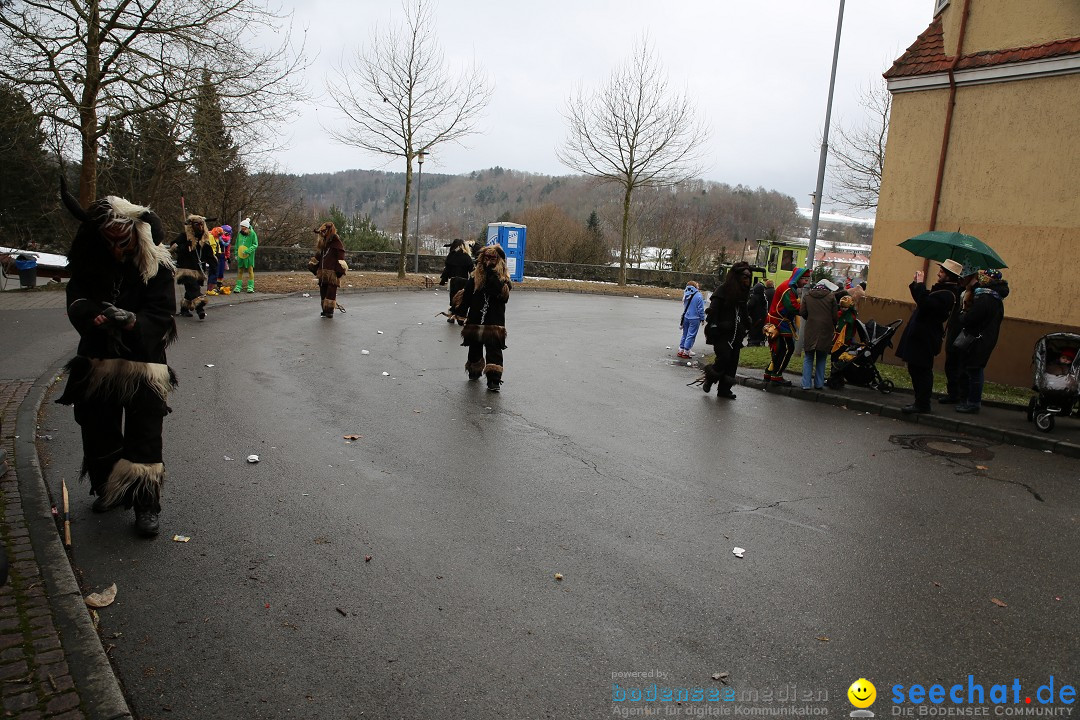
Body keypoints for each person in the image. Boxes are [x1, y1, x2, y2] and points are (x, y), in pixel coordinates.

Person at [56, 180, 177, 537]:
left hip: (144, 366)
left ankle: (145, 505)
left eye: (121, 239)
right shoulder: (89, 264)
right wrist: (92, 315)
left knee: (145, 435)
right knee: (97, 431)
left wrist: (132, 321)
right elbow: (76, 299)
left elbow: (163, 314)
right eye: (108, 239)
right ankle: (110, 488)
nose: (116, 247)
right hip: (97, 363)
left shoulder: (157, 267)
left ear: (135, 233)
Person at [895, 264, 956, 414]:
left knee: (922, 369)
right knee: (915, 367)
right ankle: (919, 401)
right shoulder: (942, 290)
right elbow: (922, 301)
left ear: (950, 275)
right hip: (921, 335)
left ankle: (923, 403)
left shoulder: (948, 294)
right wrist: (916, 284)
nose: (939, 274)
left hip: (926, 337)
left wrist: (921, 284)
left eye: (942, 272)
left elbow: (925, 303)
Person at [954, 268, 1010, 413]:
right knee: (974, 369)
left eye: (981, 278)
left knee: (974, 370)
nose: (978, 280)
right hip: (985, 338)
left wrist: (962, 316)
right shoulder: (995, 298)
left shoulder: (985, 298)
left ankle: (973, 403)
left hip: (979, 339)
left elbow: (972, 318)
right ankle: (971, 401)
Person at [459, 244, 512, 392]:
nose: (488, 261)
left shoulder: (503, 278)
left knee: (494, 350)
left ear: (498, 260)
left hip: (494, 320)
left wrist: (491, 274)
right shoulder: (475, 275)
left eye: (492, 258)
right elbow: (467, 294)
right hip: (475, 318)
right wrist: (461, 311)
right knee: (474, 348)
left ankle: (494, 379)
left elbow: (500, 294)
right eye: (486, 258)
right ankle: (474, 370)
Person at [701, 262, 752, 399]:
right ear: (737, 277)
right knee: (724, 357)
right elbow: (713, 311)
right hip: (722, 333)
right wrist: (716, 326)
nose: (747, 280)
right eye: (745, 276)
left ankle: (724, 390)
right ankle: (710, 379)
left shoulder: (743, 293)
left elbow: (744, 312)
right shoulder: (722, 290)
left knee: (733, 362)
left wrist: (749, 324)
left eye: (749, 276)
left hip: (736, 334)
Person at [764, 268, 808, 385]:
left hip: (777, 320)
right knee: (788, 349)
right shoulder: (788, 288)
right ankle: (776, 375)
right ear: (798, 278)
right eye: (804, 279)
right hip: (779, 322)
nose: (806, 282)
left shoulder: (788, 287)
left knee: (778, 348)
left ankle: (769, 372)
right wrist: (806, 310)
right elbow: (792, 307)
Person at [937, 259, 972, 405]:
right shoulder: (958, 291)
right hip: (954, 329)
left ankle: (957, 394)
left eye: (942, 271)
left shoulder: (961, 293)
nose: (938, 274)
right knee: (951, 363)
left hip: (959, 331)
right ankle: (954, 393)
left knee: (956, 364)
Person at [170, 214, 215, 320]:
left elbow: (209, 255)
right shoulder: (184, 236)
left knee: (191, 289)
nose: (199, 227)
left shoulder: (203, 239)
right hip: (185, 268)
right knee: (193, 288)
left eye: (201, 224)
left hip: (197, 269)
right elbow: (173, 247)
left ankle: (184, 309)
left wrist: (214, 269)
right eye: (197, 224)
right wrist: (185, 246)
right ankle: (200, 309)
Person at [799, 279, 839, 390]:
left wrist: (811, 319)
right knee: (822, 357)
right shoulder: (831, 297)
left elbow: (802, 312)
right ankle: (819, 383)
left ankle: (806, 384)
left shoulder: (807, 296)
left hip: (811, 329)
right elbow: (835, 316)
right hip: (826, 330)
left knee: (808, 357)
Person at [309, 221, 347, 318]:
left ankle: (329, 310)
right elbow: (319, 255)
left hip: (332, 273)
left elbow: (340, 257)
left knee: (330, 292)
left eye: (324, 231)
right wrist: (313, 265)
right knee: (323, 291)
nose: (322, 234)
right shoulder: (324, 244)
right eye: (321, 232)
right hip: (323, 272)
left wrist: (339, 271)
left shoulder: (336, 243)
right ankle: (325, 309)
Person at [439, 239, 474, 324]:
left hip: (453, 280)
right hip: (464, 281)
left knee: (453, 298)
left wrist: (443, 280)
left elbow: (447, 270)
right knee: (462, 299)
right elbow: (472, 271)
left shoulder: (451, 256)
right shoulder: (467, 257)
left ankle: (451, 316)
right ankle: (460, 317)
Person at [677, 281, 705, 359]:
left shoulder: (686, 294)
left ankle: (681, 350)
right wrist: (702, 319)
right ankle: (686, 351)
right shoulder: (698, 296)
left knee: (685, 334)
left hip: (686, 317)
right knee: (691, 335)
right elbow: (700, 309)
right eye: (697, 285)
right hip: (695, 318)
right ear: (695, 287)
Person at [233, 217, 257, 293]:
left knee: (250, 270)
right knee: (240, 270)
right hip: (241, 256)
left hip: (249, 256)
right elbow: (237, 244)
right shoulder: (240, 234)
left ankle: (250, 287)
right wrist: (236, 253)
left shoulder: (252, 234)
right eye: (241, 227)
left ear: (247, 227)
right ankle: (238, 286)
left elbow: (255, 244)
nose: (242, 228)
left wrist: (248, 251)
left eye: (243, 227)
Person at [207, 225, 232, 295]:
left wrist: (227, 256)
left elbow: (226, 248)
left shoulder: (221, 238)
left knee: (219, 271)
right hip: (214, 256)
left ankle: (216, 285)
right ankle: (210, 288)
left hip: (220, 255)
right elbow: (213, 246)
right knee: (214, 272)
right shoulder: (213, 237)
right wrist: (215, 255)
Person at [746, 280, 768, 346]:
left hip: (755, 317)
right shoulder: (763, 297)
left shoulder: (754, 297)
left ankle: (753, 342)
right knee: (759, 331)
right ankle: (760, 341)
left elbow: (749, 306)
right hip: (762, 317)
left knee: (754, 331)